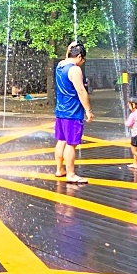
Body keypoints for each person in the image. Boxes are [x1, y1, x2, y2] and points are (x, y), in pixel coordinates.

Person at [53, 41, 94, 183]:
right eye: (83, 60)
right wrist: (88, 110)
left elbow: (67, 57)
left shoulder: (60, 65)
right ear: (80, 56)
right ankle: (71, 174)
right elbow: (81, 91)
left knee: (61, 141)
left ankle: (59, 169)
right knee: (71, 144)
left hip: (60, 111)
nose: (82, 63)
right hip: (73, 113)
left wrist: (70, 47)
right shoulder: (75, 70)